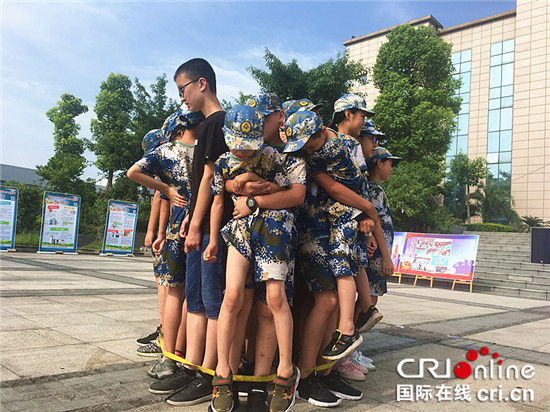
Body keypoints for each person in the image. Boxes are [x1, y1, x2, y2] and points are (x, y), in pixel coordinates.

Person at [206, 105, 305, 412]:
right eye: (238, 144)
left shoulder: (274, 156)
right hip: (239, 230)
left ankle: (285, 371)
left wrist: (251, 185)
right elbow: (216, 201)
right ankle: (223, 372)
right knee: (232, 296)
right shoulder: (222, 162)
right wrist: (211, 240)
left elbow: (285, 189)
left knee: (274, 298)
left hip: (273, 227)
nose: (243, 151)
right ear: (226, 135)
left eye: (249, 146)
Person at [285, 110, 369, 406]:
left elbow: (342, 186)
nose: (306, 149)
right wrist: (368, 211)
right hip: (313, 233)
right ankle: (307, 377)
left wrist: (367, 213)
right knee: (328, 301)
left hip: (332, 228)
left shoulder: (331, 147)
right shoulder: (305, 153)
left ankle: (323, 371)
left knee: (334, 301)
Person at [163, 58, 229, 407]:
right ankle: (192, 366)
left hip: (211, 231)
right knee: (196, 299)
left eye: (183, 89)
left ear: (201, 83)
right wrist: (190, 217)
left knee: (211, 301)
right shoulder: (209, 125)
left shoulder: (218, 124)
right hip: (198, 224)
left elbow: (210, 179)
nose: (183, 98)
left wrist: (198, 224)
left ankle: (209, 374)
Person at [127, 107, 203, 390]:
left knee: (174, 292)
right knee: (191, 296)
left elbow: (133, 172)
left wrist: (168, 189)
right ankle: (183, 351)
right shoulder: (211, 149)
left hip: (177, 229)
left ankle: (169, 355)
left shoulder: (167, 151)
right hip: (204, 227)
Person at [366, 147, 400, 309]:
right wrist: (386, 258)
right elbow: (376, 223)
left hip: (375, 255)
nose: (391, 169)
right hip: (377, 256)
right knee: (369, 301)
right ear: (379, 163)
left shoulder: (369, 189)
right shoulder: (375, 191)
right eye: (390, 164)